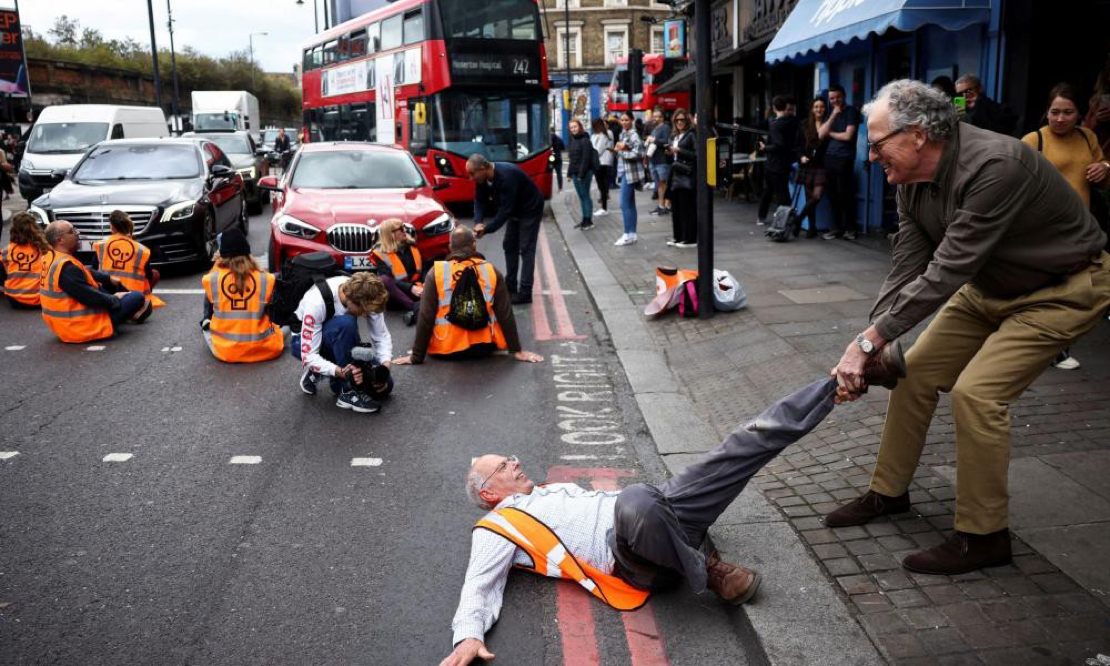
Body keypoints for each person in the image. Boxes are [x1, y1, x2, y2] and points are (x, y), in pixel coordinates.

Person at [826, 80, 1110, 575]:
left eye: (877, 144)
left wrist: (868, 342)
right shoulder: (909, 178)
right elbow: (908, 263)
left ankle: (984, 537)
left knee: (977, 394)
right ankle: (887, 493)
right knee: (911, 374)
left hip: (1061, 289)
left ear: (917, 135)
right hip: (988, 287)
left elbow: (949, 267)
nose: (871, 157)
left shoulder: (995, 166)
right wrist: (873, 342)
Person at [439, 378, 846, 666]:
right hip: (628, 557)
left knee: (740, 443)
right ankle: (708, 570)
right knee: (636, 499)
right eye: (505, 466)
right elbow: (478, 584)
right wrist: (469, 636)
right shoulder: (499, 526)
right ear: (489, 493)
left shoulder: (547, 491)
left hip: (657, 512)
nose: (516, 462)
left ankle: (835, 386)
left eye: (510, 457)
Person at [1021, 83, 1110, 371]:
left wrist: (1105, 168)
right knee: (1045, 291)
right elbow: (1014, 182)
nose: (1060, 118)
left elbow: (1101, 171)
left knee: (1070, 292)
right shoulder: (1034, 141)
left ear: (1079, 114)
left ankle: (1056, 347)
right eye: (1054, 112)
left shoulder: (1088, 137)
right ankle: (1040, 347)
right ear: (1046, 112)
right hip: (1044, 230)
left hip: (1080, 229)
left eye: (1068, 112)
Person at [392, 226, 543, 366]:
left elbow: (426, 316)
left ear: (450, 248)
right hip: (484, 348)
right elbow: (505, 312)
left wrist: (416, 356)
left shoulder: (436, 272)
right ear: (474, 246)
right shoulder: (491, 271)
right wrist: (517, 350)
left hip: (447, 349)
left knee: (420, 307)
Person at [293, 271, 394, 414]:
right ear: (351, 300)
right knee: (346, 323)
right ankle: (347, 392)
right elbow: (308, 356)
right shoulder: (316, 302)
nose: (365, 315)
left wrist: (384, 368)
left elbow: (381, 336)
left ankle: (324, 370)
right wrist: (344, 374)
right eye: (363, 311)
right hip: (303, 344)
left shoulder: (368, 292)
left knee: (386, 386)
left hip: (340, 341)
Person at [39, 220, 149, 343]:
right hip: (81, 326)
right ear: (60, 240)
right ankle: (127, 314)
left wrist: (107, 279)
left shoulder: (52, 257)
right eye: (72, 231)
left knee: (108, 284)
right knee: (137, 297)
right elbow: (90, 297)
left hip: (62, 323)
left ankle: (129, 311)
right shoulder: (67, 268)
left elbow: (83, 271)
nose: (77, 233)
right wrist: (115, 298)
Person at [467, 154, 546, 305]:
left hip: (530, 209)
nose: (471, 178)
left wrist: (487, 229)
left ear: (483, 168)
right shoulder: (482, 178)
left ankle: (525, 292)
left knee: (526, 248)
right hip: (515, 209)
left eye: (472, 174)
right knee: (509, 244)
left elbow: (505, 211)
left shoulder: (507, 176)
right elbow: (479, 200)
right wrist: (478, 222)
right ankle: (510, 286)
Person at [201, 228, 284, 363]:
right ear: (247, 252)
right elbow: (276, 315)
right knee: (284, 327)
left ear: (222, 254)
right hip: (264, 348)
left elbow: (210, 311)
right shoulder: (266, 279)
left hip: (225, 350)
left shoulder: (211, 280)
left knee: (205, 324)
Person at [93, 210, 164, 312]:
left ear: (112, 228)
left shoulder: (101, 246)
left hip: (107, 293)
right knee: (155, 274)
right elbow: (148, 274)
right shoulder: (140, 249)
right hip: (134, 296)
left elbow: (94, 270)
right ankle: (137, 309)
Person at [820, 85, 861, 240]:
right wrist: (833, 116)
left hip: (844, 157)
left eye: (837, 97)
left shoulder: (851, 112)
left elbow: (848, 136)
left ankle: (850, 228)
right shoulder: (831, 113)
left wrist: (830, 132)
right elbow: (820, 135)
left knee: (844, 193)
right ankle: (836, 228)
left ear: (844, 96)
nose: (835, 100)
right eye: (831, 98)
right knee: (832, 194)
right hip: (829, 157)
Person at [371, 218, 424, 326]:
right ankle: (414, 307)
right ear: (391, 235)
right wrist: (411, 288)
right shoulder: (380, 253)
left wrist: (427, 283)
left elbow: (423, 269)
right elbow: (388, 281)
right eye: (401, 228)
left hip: (418, 290)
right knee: (384, 279)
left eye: (404, 227)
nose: (405, 230)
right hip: (396, 296)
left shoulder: (412, 246)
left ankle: (420, 308)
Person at [757, 95, 800, 227]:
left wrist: (765, 148)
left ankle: (785, 222)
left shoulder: (777, 123)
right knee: (776, 192)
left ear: (773, 107)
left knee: (780, 194)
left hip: (776, 163)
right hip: (779, 163)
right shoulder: (787, 121)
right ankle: (782, 220)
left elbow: (779, 144)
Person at [1, 211, 52, 308]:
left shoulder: (6, 251)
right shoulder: (45, 248)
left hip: (15, 300)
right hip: (41, 299)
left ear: (14, 229)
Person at [797, 97, 830, 239]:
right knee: (810, 197)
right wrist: (801, 157)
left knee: (816, 196)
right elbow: (797, 145)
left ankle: (797, 220)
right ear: (812, 108)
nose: (819, 109)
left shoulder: (828, 124)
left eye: (822, 106)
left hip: (822, 165)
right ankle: (812, 228)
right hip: (807, 164)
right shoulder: (804, 124)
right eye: (816, 106)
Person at [666, 108, 697, 247]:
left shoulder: (691, 135)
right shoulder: (674, 136)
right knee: (676, 208)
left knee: (687, 208)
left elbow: (697, 155)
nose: (679, 122)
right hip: (675, 175)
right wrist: (669, 152)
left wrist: (680, 150)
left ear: (687, 121)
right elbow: (673, 158)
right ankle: (678, 237)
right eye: (677, 120)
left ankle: (690, 238)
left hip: (686, 175)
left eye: (682, 120)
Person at [614, 111, 645, 247]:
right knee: (630, 203)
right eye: (622, 120)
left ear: (632, 120)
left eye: (627, 120)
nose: (624, 122)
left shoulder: (633, 135)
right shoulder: (623, 134)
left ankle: (627, 234)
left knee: (624, 204)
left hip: (630, 173)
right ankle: (632, 234)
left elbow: (639, 153)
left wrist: (621, 152)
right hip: (624, 172)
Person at [566, 119, 598, 230]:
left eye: (575, 126)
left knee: (585, 196)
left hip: (584, 173)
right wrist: (570, 174)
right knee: (581, 196)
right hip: (575, 174)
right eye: (571, 127)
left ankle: (589, 221)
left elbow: (586, 159)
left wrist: (580, 175)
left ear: (580, 127)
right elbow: (572, 159)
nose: (573, 129)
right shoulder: (573, 140)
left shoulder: (585, 140)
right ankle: (584, 219)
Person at [646, 108, 673, 216]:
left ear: (662, 117)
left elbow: (667, 141)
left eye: (657, 116)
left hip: (662, 161)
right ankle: (661, 205)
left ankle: (667, 205)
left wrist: (654, 140)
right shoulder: (655, 128)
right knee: (659, 184)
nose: (655, 118)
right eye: (654, 116)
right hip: (654, 160)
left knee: (664, 183)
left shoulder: (665, 127)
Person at [590, 118, 613, 216]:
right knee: (601, 185)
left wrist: (591, 152)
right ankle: (603, 207)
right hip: (597, 162)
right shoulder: (595, 135)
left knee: (602, 185)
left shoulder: (604, 135)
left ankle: (604, 208)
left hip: (602, 162)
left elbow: (598, 150)